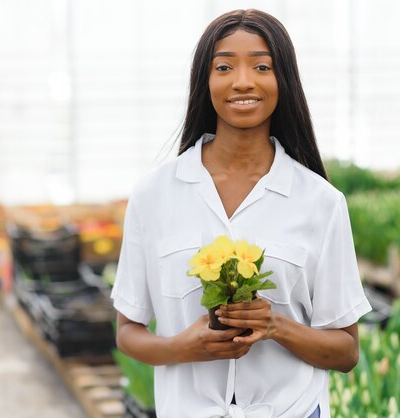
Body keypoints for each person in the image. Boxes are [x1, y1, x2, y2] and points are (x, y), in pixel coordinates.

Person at [111, 9, 371, 418]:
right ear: (206, 80)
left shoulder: (321, 202)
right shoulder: (154, 194)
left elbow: (346, 351)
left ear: (282, 80)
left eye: (262, 66)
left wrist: (275, 327)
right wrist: (182, 348)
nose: (243, 81)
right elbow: (128, 331)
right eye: (225, 66)